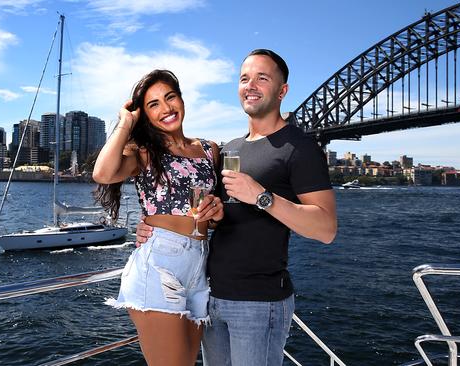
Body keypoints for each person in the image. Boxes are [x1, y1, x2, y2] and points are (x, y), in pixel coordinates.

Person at [135, 49, 337, 366]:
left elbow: (326, 228)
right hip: (210, 295)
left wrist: (262, 197)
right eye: (245, 78)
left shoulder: (300, 147)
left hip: (259, 302)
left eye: (262, 78)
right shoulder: (230, 149)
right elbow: (212, 215)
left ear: (282, 91)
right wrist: (154, 225)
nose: (251, 85)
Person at [92, 69, 224, 366]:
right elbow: (102, 173)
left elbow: (212, 215)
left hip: (200, 266)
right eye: (153, 105)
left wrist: (215, 213)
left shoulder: (209, 150)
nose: (166, 109)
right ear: (145, 116)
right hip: (161, 263)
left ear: (181, 98)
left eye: (170, 97)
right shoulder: (145, 152)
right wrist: (126, 123)